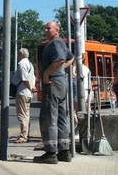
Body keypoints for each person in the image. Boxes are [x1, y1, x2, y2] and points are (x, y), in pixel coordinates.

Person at [34, 21, 73, 164]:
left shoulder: (54, 44)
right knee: (62, 118)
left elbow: (60, 60)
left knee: (49, 118)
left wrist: (47, 74)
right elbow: (70, 58)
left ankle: (50, 153)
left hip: (53, 83)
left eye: (48, 28)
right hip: (61, 83)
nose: (45, 30)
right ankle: (64, 151)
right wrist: (61, 69)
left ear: (56, 30)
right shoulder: (61, 43)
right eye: (44, 27)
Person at [12, 48, 37, 143]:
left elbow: (25, 78)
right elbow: (32, 78)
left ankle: (23, 136)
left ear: (21, 54)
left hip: (23, 92)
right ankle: (26, 134)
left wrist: (30, 87)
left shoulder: (22, 64)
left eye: (18, 53)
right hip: (28, 93)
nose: (17, 56)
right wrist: (32, 88)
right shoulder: (30, 64)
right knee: (26, 114)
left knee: (22, 115)